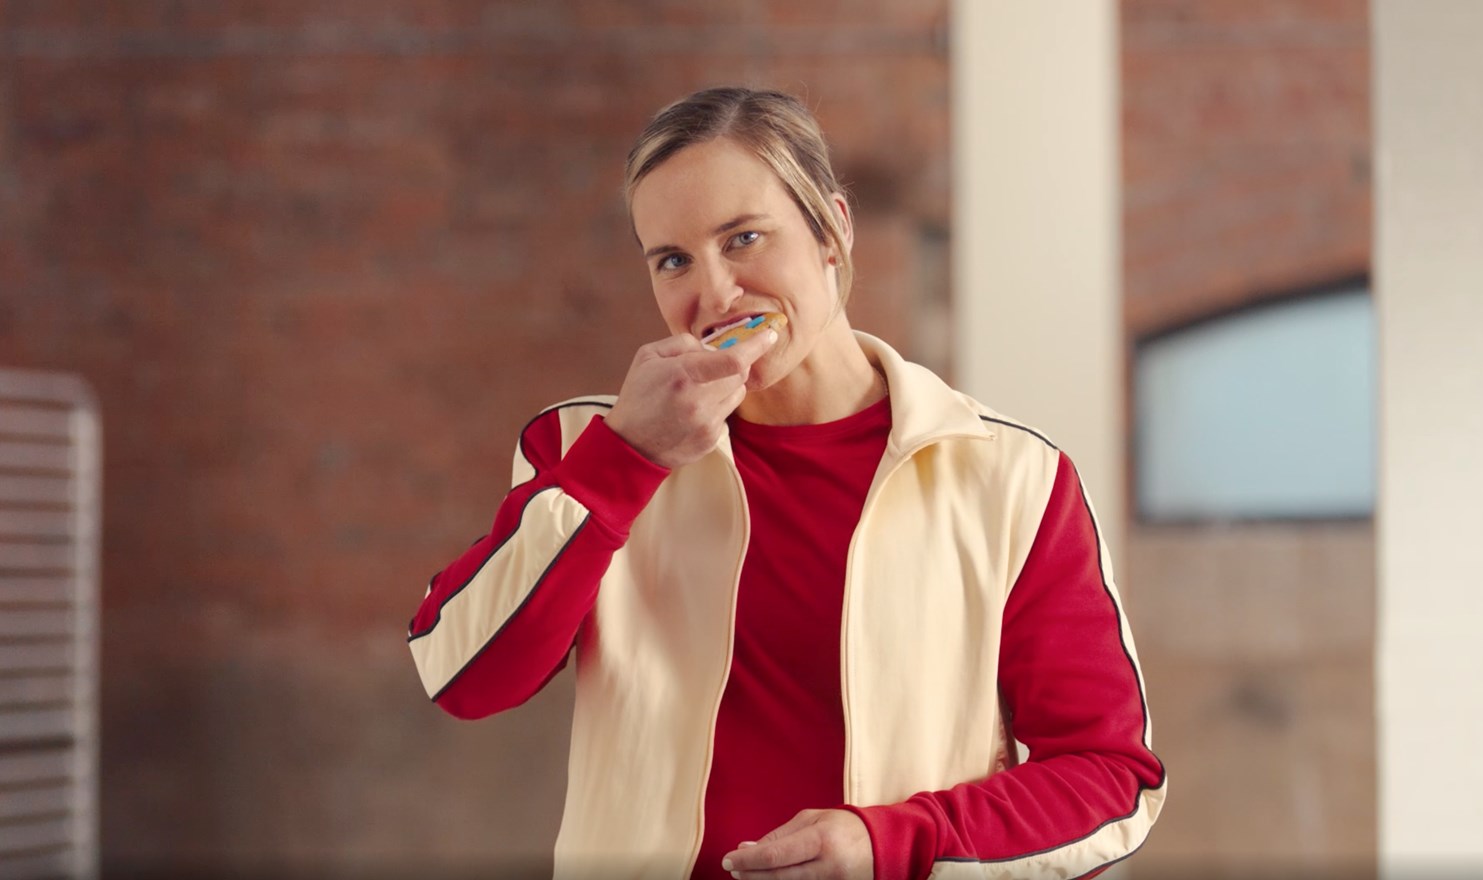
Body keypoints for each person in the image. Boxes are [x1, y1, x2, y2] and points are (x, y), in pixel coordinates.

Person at [406, 86, 1166, 880]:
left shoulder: (1011, 477)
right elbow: (465, 677)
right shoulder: (580, 446)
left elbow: (1111, 780)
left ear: (833, 231)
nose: (715, 295)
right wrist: (625, 458)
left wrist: (896, 843)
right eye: (673, 261)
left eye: (744, 238)